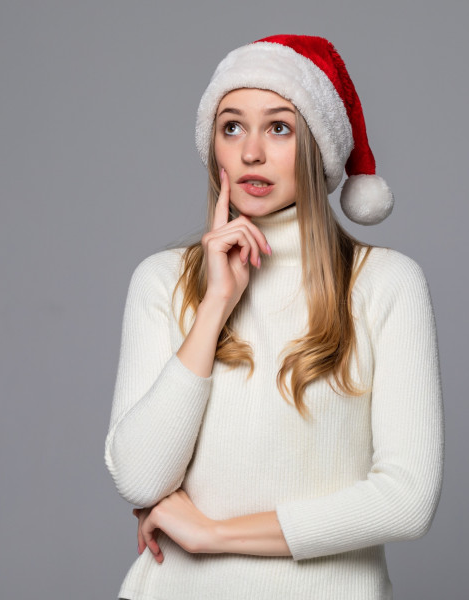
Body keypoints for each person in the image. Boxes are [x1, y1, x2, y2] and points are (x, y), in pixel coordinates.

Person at [104, 34, 443, 600]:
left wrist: (214, 535)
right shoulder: (163, 281)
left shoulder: (384, 283)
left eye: (279, 127)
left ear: (318, 145)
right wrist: (215, 305)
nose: (251, 153)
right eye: (232, 127)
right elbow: (139, 478)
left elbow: (407, 500)